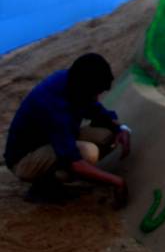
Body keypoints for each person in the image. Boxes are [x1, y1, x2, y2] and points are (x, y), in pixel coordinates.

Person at [3, 53, 131, 206]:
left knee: (107, 135)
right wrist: (116, 181)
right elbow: (74, 161)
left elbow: (98, 112)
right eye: (95, 93)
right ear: (84, 88)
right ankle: (45, 186)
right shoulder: (54, 105)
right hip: (25, 158)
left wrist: (120, 129)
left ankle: (65, 175)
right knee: (88, 153)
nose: (97, 98)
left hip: (55, 138)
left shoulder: (74, 81)